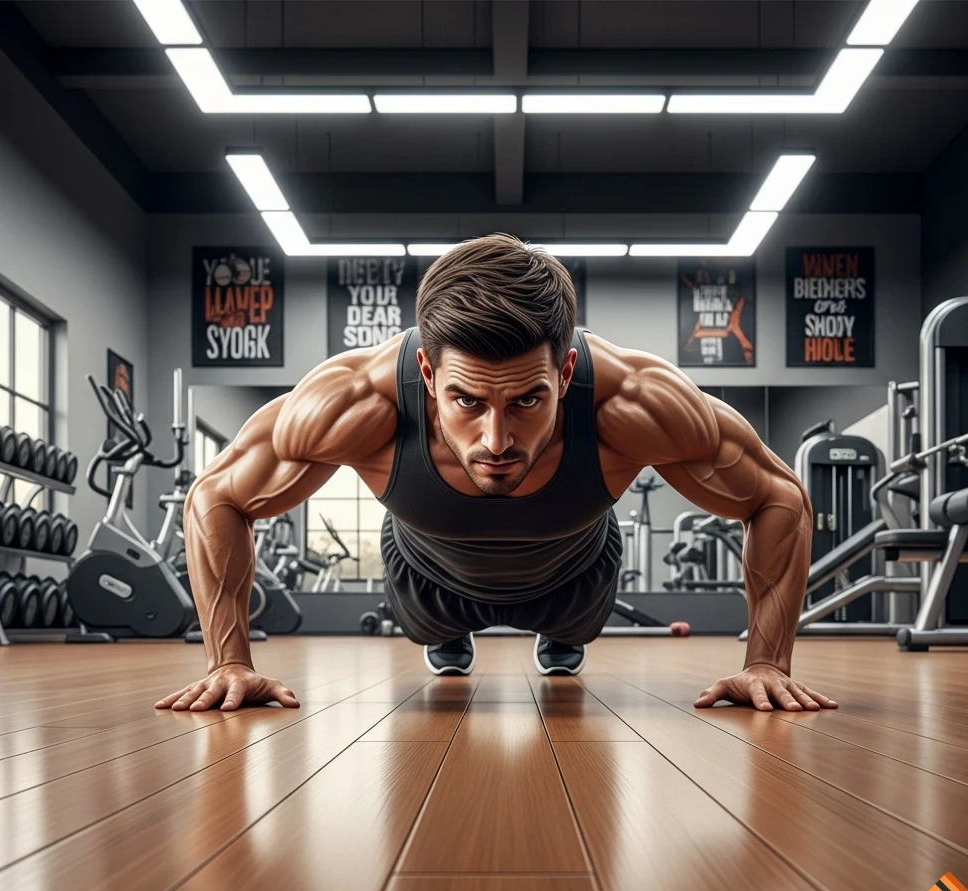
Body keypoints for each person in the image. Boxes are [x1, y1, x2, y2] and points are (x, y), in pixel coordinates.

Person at [156, 234, 837, 715]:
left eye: (528, 401)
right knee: (436, 632)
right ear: (427, 373)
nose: (497, 439)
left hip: (578, 579)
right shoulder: (355, 402)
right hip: (427, 585)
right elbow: (216, 495)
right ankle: (451, 636)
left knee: (572, 628)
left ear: (566, 374)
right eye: (467, 401)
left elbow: (777, 497)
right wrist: (229, 663)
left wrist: (766, 664)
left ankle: (560, 638)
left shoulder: (633, 402)